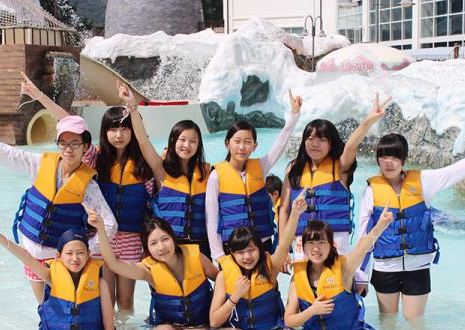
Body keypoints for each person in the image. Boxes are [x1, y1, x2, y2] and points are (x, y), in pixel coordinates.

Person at [0, 117, 117, 304]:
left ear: (85, 147)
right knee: (43, 310)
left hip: (60, 261)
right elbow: (6, 153)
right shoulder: (41, 164)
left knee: (65, 311)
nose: (69, 149)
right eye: (64, 143)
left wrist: (86, 248)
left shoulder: (89, 186)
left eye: (75, 144)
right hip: (31, 256)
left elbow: (110, 224)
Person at [20, 73, 153, 313]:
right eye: (113, 130)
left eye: (124, 129)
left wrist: (132, 106)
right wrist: (38, 96)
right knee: (105, 300)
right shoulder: (96, 158)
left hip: (130, 240)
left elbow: (151, 205)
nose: (119, 135)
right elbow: (68, 122)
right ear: (105, 132)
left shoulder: (144, 167)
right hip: (102, 238)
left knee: (126, 302)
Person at [359, 129, 465, 324]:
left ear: (404, 159)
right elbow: (364, 235)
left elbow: (460, 169)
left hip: (417, 267)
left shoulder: (424, 181)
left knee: (415, 322)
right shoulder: (371, 190)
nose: (389, 162)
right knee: (387, 322)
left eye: (394, 157)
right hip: (385, 268)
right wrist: (360, 276)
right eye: (384, 157)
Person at [278, 93, 391, 290]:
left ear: (331, 144)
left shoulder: (339, 167)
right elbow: (284, 209)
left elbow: (352, 146)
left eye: (322, 139)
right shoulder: (294, 168)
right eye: (310, 138)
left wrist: (368, 121)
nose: (315, 143)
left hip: (335, 239)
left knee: (337, 288)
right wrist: (283, 249)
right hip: (302, 240)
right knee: (302, 290)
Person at [0, 214, 114, 330]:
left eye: (80, 252)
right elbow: (25, 256)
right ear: (59, 256)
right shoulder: (51, 277)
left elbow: (109, 329)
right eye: (69, 253)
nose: (75, 258)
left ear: (88, 254)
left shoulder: (100, 283)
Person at [86, 205, 219, 330]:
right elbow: (113, 264)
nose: (161, 247)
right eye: (153, 243)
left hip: (201, 324)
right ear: (147, 249)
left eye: (165, 239)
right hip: (170, 324)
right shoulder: (149, 271)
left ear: (173, 238)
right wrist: (101, 229)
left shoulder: (197, 258)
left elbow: (220, 280)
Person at [284, 205, 393, 330]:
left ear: (332, 245)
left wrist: (380, 225)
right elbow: (289, 320)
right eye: (311, 243)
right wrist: (312, 311)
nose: (316, 249)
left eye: (321, 242)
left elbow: (363, 246)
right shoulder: (298, 276)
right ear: (304, 247)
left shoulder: (344, 268)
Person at [116, 84, 212, 258]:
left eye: (193, 141)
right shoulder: (161, 170)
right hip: (168, 247)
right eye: (182, 139)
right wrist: (132, 107)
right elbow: (143, 142)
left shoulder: (207, 172)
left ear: (198, 146)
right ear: (173, 141)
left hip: (200, 247)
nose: (187, 145)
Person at [206, 90, 302, 263]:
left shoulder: (260, 167)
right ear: (227, 144)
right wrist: (219, 256)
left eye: (248, 142)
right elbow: (211, 218)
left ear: (255, 146)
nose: (242, 147)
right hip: (233, 248)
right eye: (237, 141)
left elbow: (279, 146)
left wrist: (294, 115)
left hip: (262, 245)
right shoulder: (216, 176)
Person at [209, 189, 307, 330]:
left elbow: (284, 244)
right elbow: (214, 322)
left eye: (251, 250)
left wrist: (295, 213)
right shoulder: (223, 276)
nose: (247, 257)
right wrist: (235, 296)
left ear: (260, 250)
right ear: (232, 253)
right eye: (241, 252)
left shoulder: (270, 268)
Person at [265, 174, 283, 251]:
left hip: (281, 246)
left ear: (275, 194)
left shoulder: (281, 207)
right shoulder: (275, 206)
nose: (267, 199)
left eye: (268, 196)